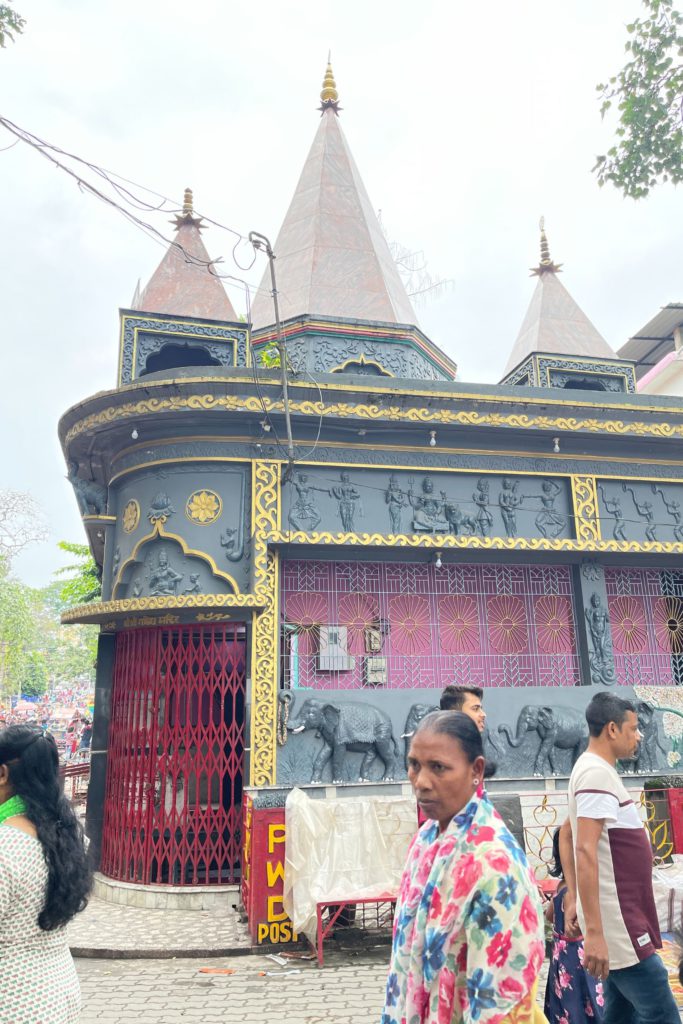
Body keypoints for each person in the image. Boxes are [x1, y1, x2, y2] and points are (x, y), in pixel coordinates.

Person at [382, 711, 547, 1024]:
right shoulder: (428, 839)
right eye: (414, 764)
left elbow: (498, 1002)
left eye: (439, 768)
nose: (421, 782)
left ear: (477, 770)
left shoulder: (495, 864)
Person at [568, 692, 680, 1024]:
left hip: (619, 918)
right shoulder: (595, 775)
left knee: (622, 1011)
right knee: (660, 1008)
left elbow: (569, 833)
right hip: (618, 923)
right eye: (633, 728)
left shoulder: (594, 770)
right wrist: (596, 933)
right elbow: (584, 848)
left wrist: (574, 897)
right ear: (613, 729)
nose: (639, 735)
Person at [0, 724, 91, 1024]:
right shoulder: (64, 834)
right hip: (58, 993)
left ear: (3, 774)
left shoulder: (5, 846)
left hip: (14, 1003)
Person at [543, 826, 604, 1022]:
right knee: (583, 995)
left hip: (559, 954)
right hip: (576, 954)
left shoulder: (560, 886)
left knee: (564, 997)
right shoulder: (575, 891)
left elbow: (550, 916)